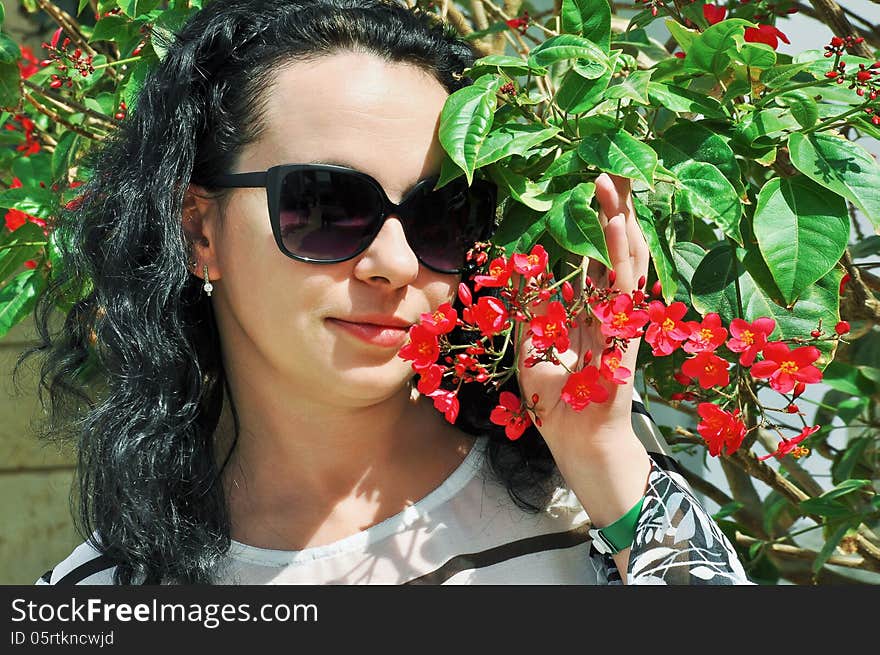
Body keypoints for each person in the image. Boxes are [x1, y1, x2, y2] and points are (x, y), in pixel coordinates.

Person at [24, 0, 751, 585]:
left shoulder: (596, 515)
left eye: (442, 214)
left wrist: (607, 464)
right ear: (200, 231)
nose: (396, 263)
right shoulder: (104, 594)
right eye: (326, 204)